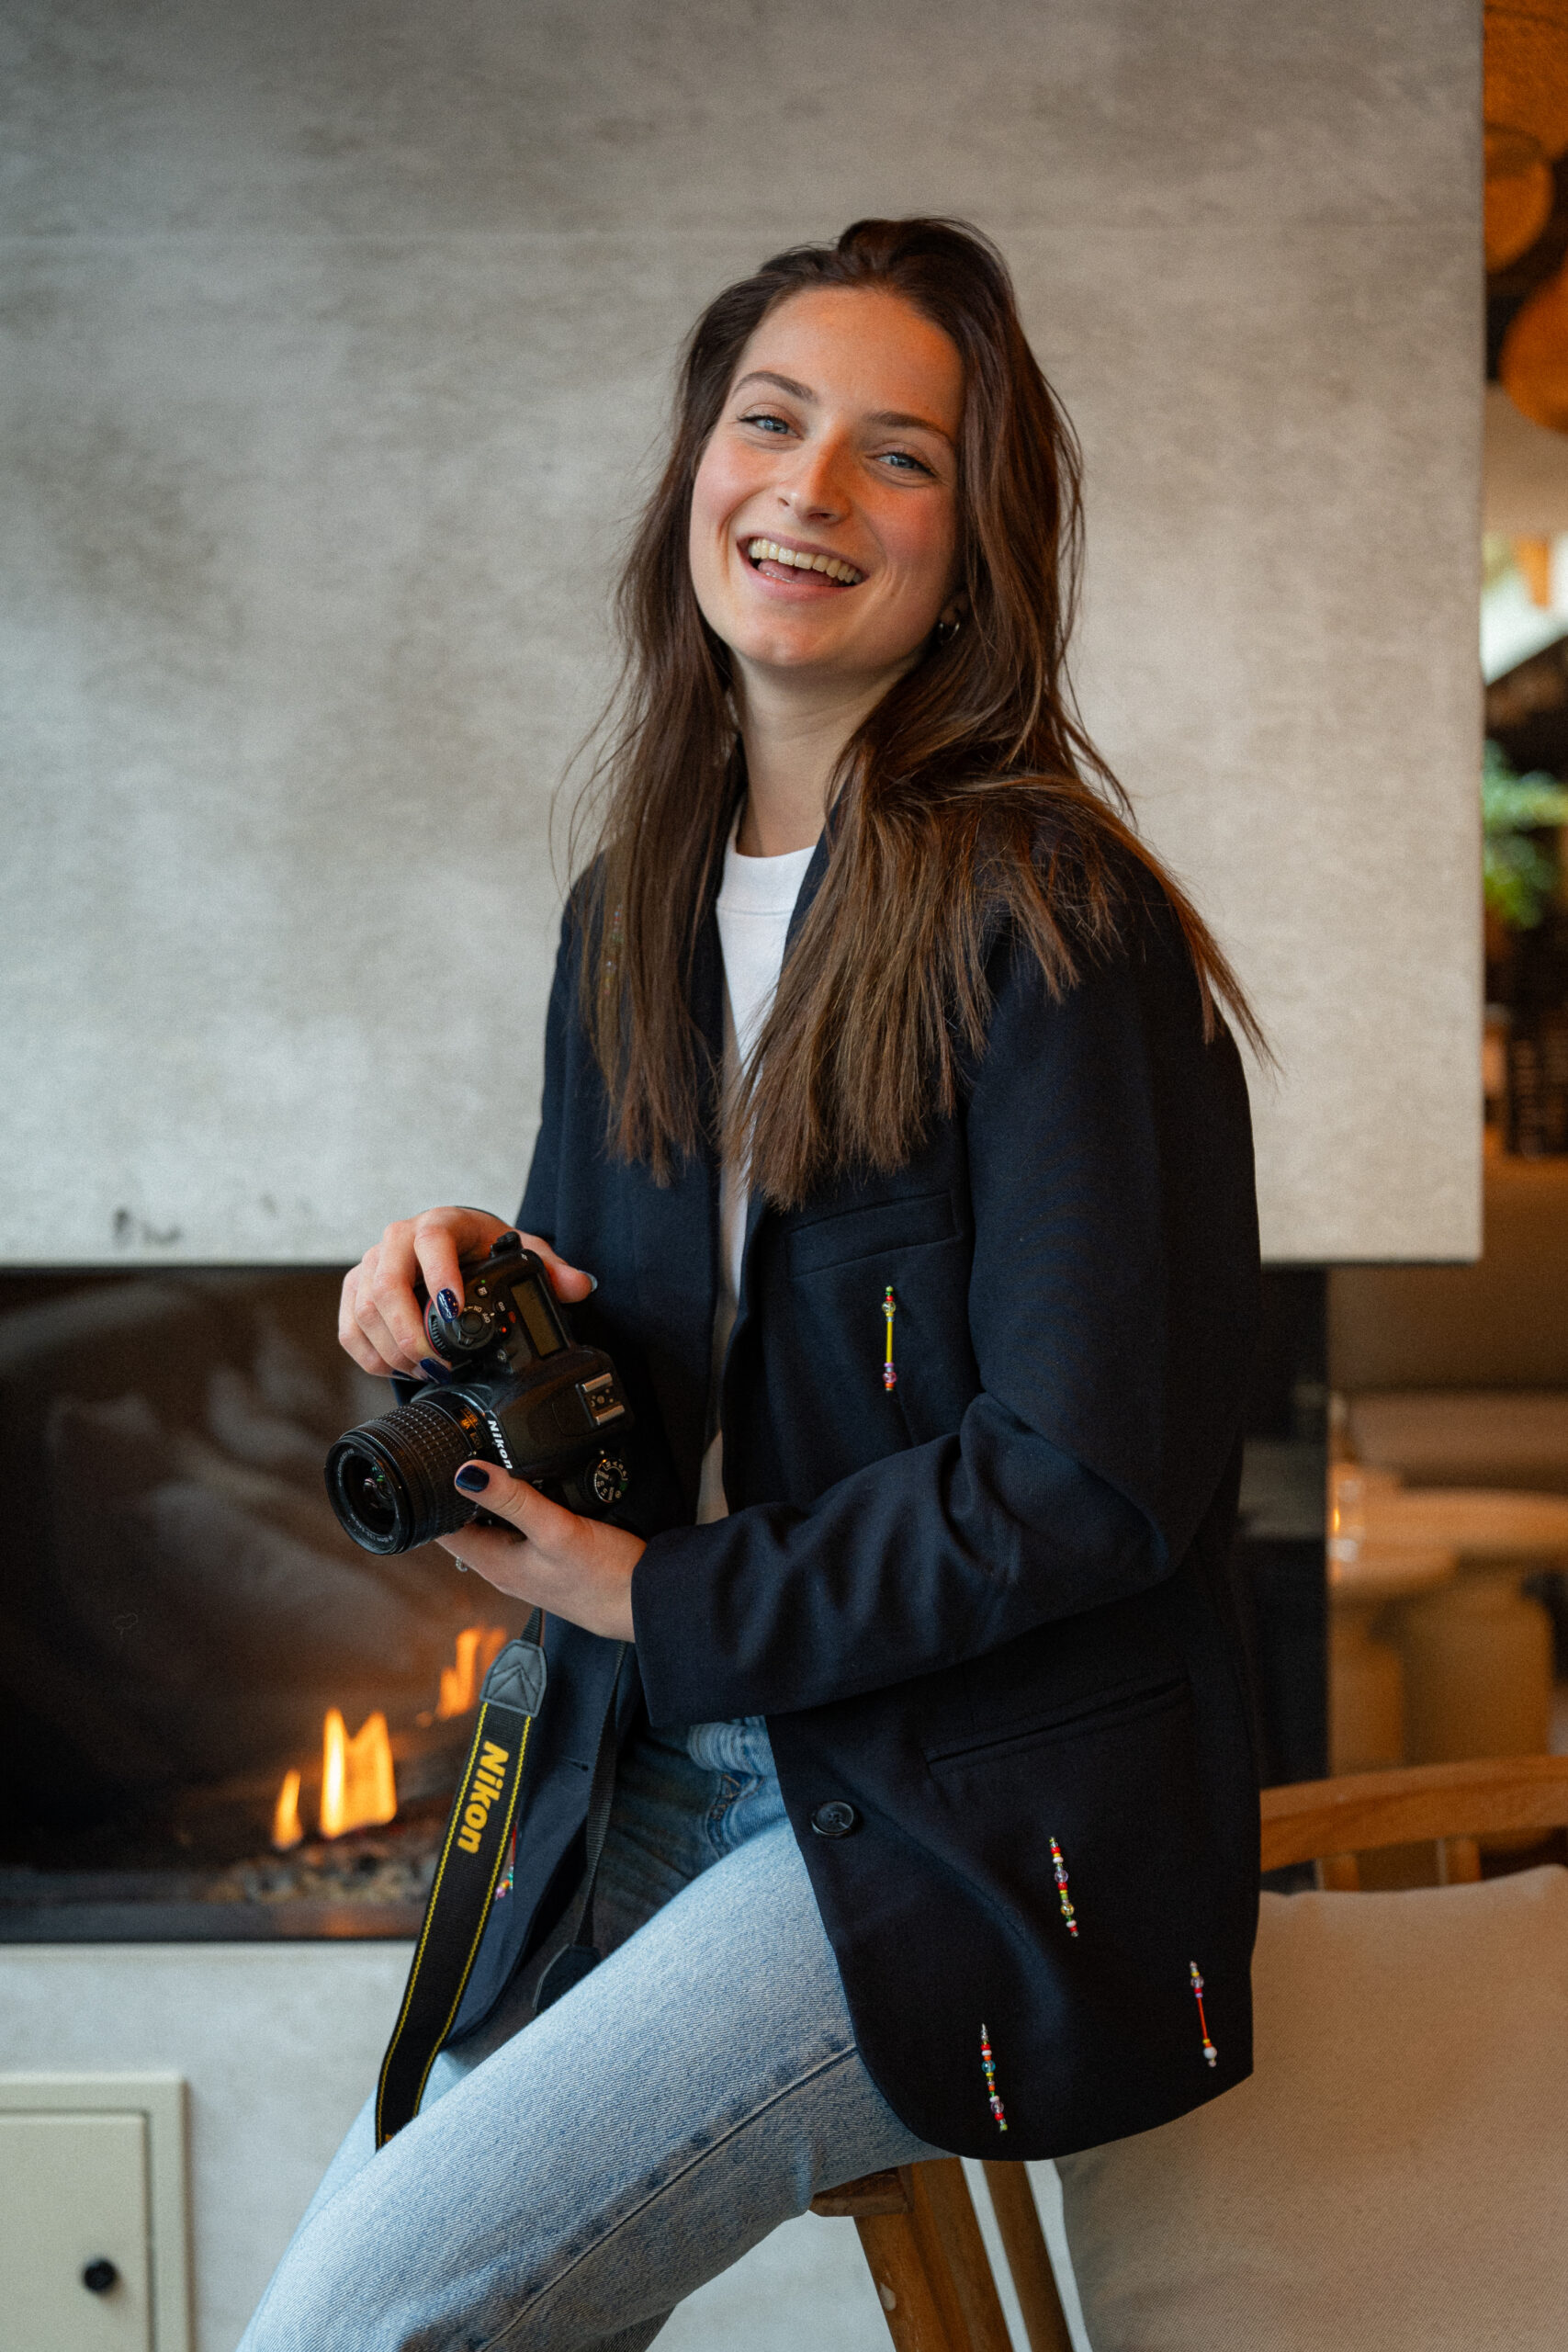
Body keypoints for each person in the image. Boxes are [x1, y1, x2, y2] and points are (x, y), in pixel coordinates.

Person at [242, 216, 1262, 2351]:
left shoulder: (1050, 918)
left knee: (367, 2323)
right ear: (694, 471)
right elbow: (636, 1381)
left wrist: (659, 1594)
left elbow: (1088, 1473)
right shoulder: (631, 905)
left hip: (939, 1802)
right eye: (768, 421)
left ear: (972, 548)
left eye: (898, 454)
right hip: (634, 1755)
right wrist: (463, 1287)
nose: (807, 489)